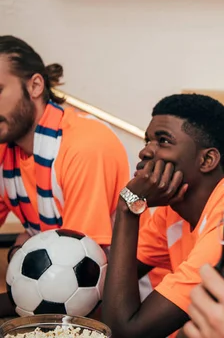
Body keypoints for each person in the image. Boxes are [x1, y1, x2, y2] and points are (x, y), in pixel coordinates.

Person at [0, 35, 130, 315]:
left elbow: (76, 270)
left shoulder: (85, 145)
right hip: (50, 293)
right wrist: (19, 249)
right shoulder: (3, 148)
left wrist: (20, 249)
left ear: (35, 85)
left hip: (125, 302)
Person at [102, 93, 224, 338]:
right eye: (148, 141)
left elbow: (127, 331)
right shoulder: (172, 208)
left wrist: (129, 208)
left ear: (207, 160)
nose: (145, 152)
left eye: (163, 141)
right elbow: (111, 285)